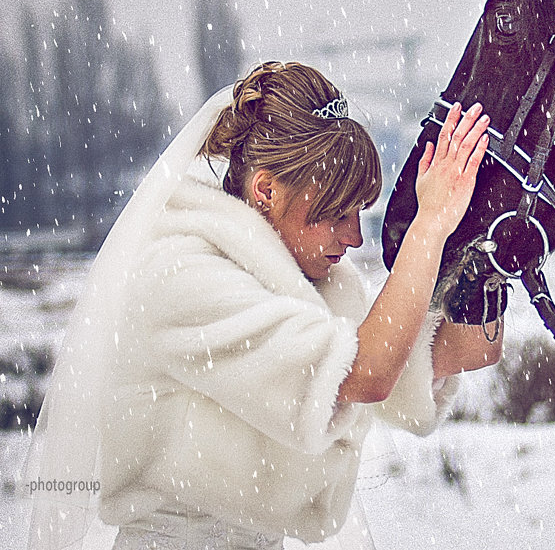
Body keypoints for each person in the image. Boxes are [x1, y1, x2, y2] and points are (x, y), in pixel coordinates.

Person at [18, 61, 502, 550]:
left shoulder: (320, 283)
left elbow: (467, 349)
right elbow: (368, 375)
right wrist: (430, 224)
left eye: (359, 213)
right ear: (266, 190)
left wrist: (488, 230)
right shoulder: (179, 275)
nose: (355, 237)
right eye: (335, 214)